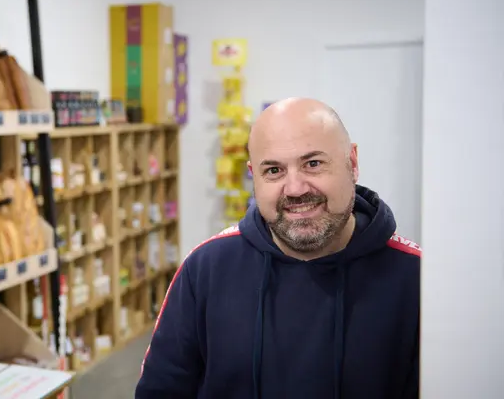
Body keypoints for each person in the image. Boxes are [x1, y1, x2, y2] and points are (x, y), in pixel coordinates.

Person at [135, 98, 420, 399]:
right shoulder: (206, 268)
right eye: (273, 170)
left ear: (353, 162)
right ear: (253, 176)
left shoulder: (415, 277)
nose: (295, 188)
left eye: (313, 164)